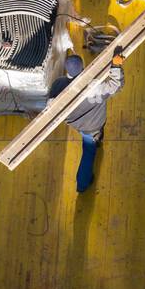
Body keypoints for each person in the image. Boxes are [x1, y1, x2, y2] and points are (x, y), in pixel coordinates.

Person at [49, 46, 126, 193]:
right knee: (88, 152)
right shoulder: (93, 87)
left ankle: (97, 138)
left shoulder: (58, 85)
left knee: (92, 139)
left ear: (67, 71)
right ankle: (82, 184)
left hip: (78, 124)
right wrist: (116, 66)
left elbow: (50, 107)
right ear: (83, 68)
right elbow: (116, 85)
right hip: (93, 125)